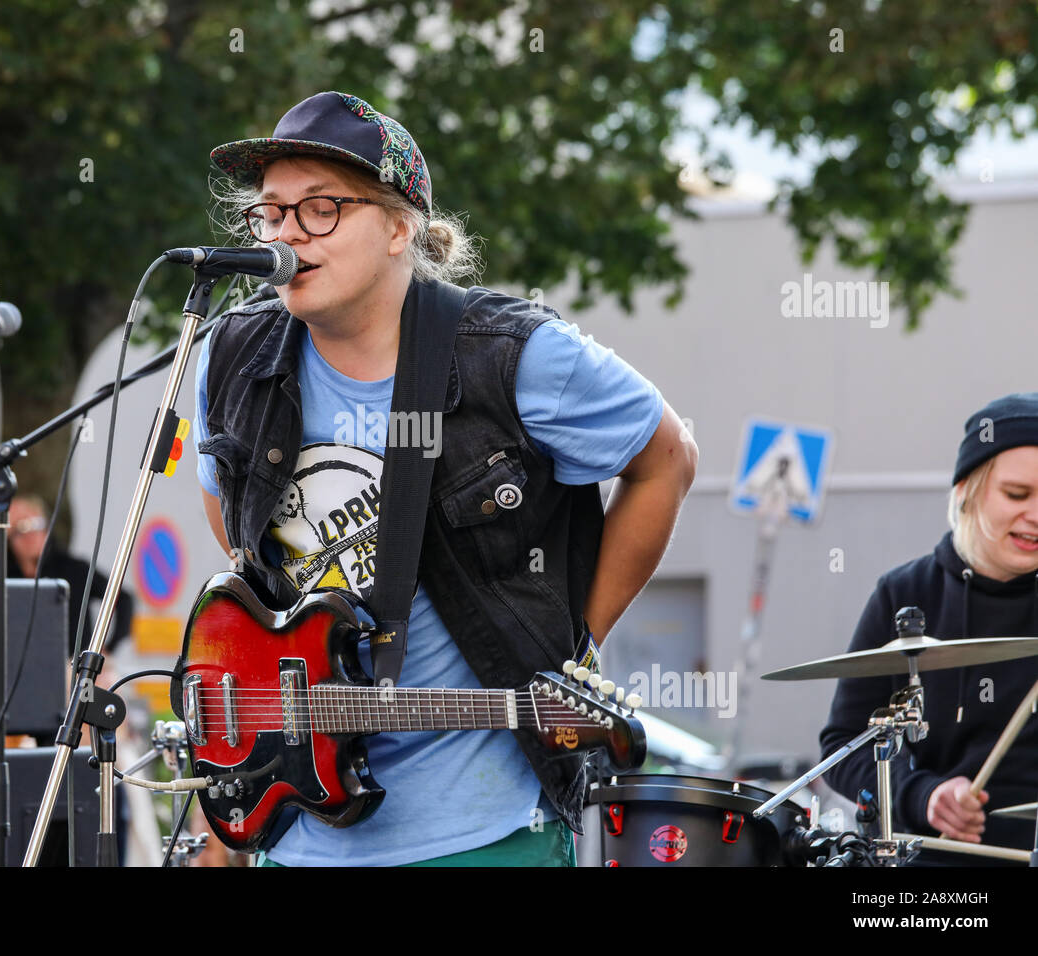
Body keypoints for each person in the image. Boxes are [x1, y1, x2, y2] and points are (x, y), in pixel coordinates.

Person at [193, 90, 697, 867]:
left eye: (321, 208)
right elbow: (225, 513)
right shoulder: (231, 352)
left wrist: (578, 647)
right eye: (272, 212)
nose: (288, 233)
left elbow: (667, 458)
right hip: (297, 833)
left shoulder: (513, 356)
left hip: (484, 834)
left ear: (400, 227)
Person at [820, 393, 1038, 861]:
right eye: (1017, 494)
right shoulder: (904, 593)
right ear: (967, 489)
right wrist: (922, 795)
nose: (1035, 515)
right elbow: (843, 748)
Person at [0, 494, 133, 660]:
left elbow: (122, 598)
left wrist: (107, 648)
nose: (30, 535)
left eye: (35, 524)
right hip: (16, 665)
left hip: (72, 665)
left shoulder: (73, 568)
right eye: (19, 529)